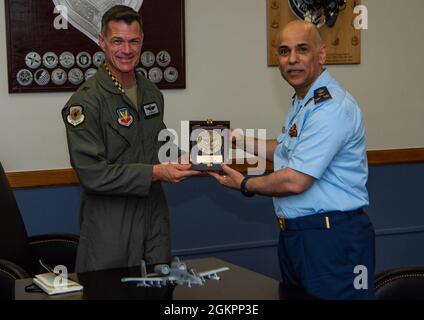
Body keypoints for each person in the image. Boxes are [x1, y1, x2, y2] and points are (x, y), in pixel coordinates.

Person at [209, 20, 375, 300]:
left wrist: (245, 184)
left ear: (321, 54)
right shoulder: (304, 101)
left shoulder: (331, 107)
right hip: (300, 237)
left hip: (332, 238)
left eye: (302, 49)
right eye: (284, 51)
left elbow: (296, 180)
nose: (292, 59)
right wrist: (236, 139)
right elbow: (286, 151)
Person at [62, 5, 199, 273]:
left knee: (158, 290)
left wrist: (188, 158)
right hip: (111, 226)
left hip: (154, 219)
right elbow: (92, 174)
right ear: (102, 42)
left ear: (142, 41)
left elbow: (158, 144)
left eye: (133, 41)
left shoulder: (151, 92)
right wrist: (156, 172)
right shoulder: (85, 103)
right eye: (118, 41)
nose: (127, 50)